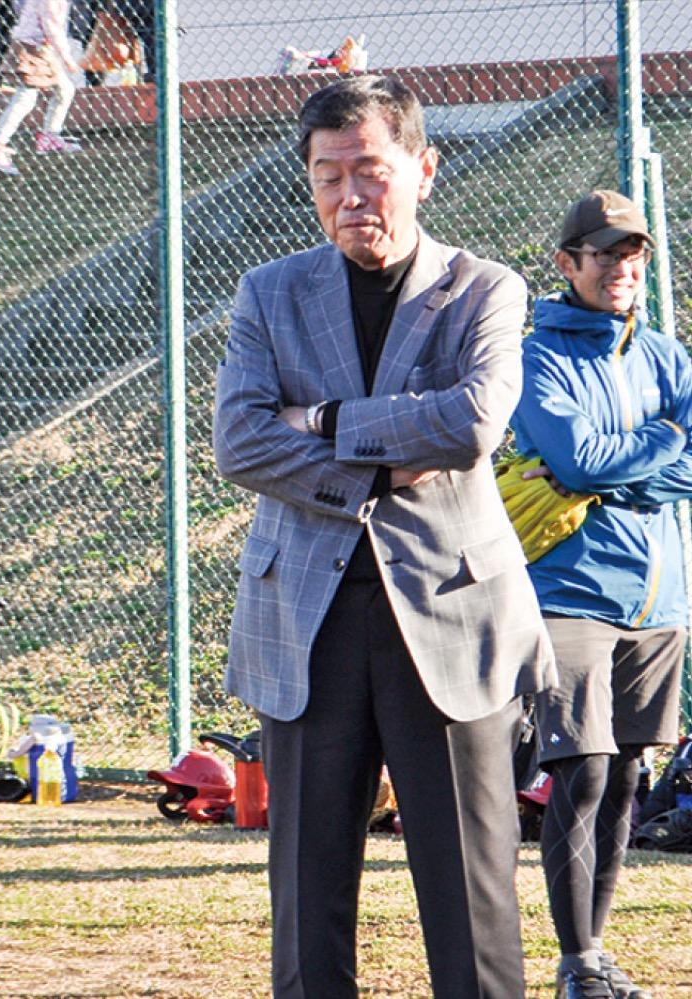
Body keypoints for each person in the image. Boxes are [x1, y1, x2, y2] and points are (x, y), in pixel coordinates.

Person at [212, 75, 556, 998]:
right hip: (307, 621)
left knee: (471, 892)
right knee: (306, 894)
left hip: (449, 612)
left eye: (371, 170)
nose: (350, 196)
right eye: (328, 176)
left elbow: (475, 420)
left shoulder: (484, 288)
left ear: (423, 168)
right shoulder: (270, 292)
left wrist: (321, 420)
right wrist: (376, 461)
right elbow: (239, 440)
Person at [510, 190, 688, 999]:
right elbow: (575, 460)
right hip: (571, 589)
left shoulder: (666, 354)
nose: (622, 267)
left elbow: (605, 464)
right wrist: (668, 439)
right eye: (605, 252)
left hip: (658, 597)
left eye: (634, 254)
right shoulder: (535, 356)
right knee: (578, 771)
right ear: (568, 263)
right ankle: (576, 959)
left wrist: (632, 466)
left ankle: (597, 954)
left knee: (625, 778)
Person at [0, 0, 82, 176]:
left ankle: (49, 137)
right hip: (32, 47)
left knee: (65, 89)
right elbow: (51, 24)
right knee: (26, 98)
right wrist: (66, 57)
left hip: (39, 45)